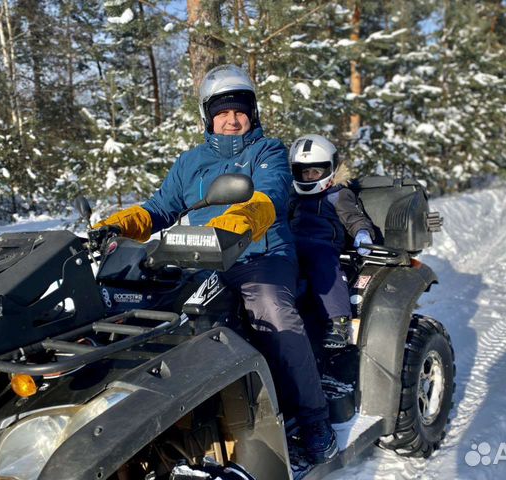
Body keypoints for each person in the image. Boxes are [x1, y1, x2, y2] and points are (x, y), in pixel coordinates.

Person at [93, 65, 337, 464]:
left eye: (239, 110)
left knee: (275, 316)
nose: (232, 119)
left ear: (252, 113)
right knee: (150, 315)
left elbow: (271, 194)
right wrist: (118, 225)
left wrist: (237, 223)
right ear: (208, 117)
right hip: (201, 257)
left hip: (262, 256)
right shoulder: (191, 162)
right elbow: (160, 207)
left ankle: (315, 420)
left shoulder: (268, 150)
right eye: (222, 112)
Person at [289, 134, 375, 348]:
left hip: (323, 245)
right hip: (292, 243)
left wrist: (362, 234)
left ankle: (339, 322)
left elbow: (354, 218)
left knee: (324, 264)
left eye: (316, 171)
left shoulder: (338, 194)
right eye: (305, 172)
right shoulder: (292, 195)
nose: (310, 177)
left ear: (330, 169)